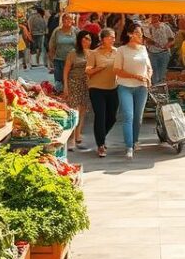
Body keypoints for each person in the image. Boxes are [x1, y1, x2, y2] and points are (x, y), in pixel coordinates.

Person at [113, 22, 152, 158]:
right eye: (137, 32)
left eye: (141, 32)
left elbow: (148, 67)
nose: (140, 35)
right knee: (128, 116)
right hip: (125, 86)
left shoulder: (143, 49)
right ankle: (129, 146)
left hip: (142, 87)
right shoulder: (121, 50)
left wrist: (148, 76)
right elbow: (117, 70)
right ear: (130, 34)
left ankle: (135, 141)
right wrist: (134, 76)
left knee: (138, 118)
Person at [85, 28, 120, 158]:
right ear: (103, 39)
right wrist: (98, 68)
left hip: (113, 88)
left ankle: (101, 135)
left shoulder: (117, 52)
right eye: (111, 37)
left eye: (114, 37)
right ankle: (100, 145)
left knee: (112, 117)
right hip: (96, 89)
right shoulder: (94, 53)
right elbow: (88, 71)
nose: (113, 39)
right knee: (100, 116)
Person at [62, 29, 95, 151]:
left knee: (82, 110)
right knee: (74, 110)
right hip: (74, 83)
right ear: (79, 39)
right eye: (84, 38)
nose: (86, 41)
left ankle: (77, 134)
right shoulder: (73, 53)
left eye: (89, 39)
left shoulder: (92, 53)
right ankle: (71, 137)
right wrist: (66, 86)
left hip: (86, 84)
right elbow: (66, 70)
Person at [47, 13, 78, 91]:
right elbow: (51, 45)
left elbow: (80, 45)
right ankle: (59, 99)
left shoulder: (76, 31)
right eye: (65, 19)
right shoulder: (57, 31)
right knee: (59, 83)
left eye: (70, 19)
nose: (67, 20)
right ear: (62, 20)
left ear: (73, 21)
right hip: (59, 60)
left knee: (71, 83)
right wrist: (52, 58)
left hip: (72, 62)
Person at [143, 14, 175, 85]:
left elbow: (172, 39)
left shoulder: (165, 26)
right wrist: (153, 43)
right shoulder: (147, 27)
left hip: (164, 53)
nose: (154, 17)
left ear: (159, 17)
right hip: (152, 54)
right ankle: (155, 91)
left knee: (162, 75)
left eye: (156, 16)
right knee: (154, 75)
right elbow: (146, 39)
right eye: (153, 15)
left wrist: (167, 45)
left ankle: (161, 92)